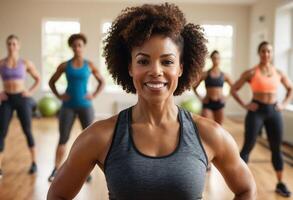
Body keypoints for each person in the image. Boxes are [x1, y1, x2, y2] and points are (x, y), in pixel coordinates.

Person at [47, 3, 256, 200]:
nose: (155, 71)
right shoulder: (99, 136)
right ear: (130, 67)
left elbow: (246, 189)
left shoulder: (210, 134)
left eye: (167, 61)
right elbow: (58, 195)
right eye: (143, 61)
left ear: (181, 68)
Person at [231, 41, 292, 197]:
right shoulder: (251, 72)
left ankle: (280, 183)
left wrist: (284, 104)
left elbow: (290, 89)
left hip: (273, 111)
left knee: (276, 148)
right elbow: (234, 89)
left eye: (269, 51)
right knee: (248, 146)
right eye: (263, 51)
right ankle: (239, 184)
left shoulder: (279, 72)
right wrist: (245, 105)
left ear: (271, 54)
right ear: (259, 53)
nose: (266, 54)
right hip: (256, 111)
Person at [48, 33, 105, 182]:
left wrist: (93, 95)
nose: (77, 48)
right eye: (74, 45)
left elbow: (102, 81)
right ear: (71, 47)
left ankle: (87, 171)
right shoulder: (65, 65)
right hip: (68, 106)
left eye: (79, 45)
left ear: (83, 47)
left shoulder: (89, 65)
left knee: (89, 140)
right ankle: (55, 169)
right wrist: (60, 96)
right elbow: (51, 82)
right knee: (63, 138)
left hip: (86, 106)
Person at [0, 34, 41, 177]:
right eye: (9, 43)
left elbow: (38, 78)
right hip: (7, 99)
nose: (12, 46)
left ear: (18, 46)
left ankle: (34, 163)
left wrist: (29, 92)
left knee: (27, 130)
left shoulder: (25, 63)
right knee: (1, 132)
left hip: (21, 98)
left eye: (14, 44)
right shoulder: (1, 63)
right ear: (7, 45)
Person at [193, 50, 233, 124]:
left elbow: (234, 88)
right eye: (214, 58)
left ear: (220, 59)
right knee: (205, 124)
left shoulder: (224, 75)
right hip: (208, 102)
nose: (216, 60)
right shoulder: (205, 74)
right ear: (211, 59)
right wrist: (200, 98)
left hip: (219, 103)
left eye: (218, 58)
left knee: (219, 127)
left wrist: (226, 97)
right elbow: (194, 87)